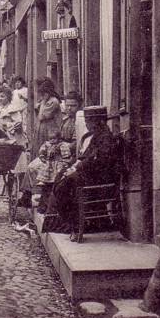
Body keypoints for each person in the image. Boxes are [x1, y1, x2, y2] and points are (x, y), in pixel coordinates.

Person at [46, 106, 123, 239]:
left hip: (101, 179)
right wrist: (72, 167)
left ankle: (75, 225)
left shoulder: (106, 138)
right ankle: (69, 222)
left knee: (67, 183)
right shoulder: (95, 136)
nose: (87, 124)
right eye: (87, 121)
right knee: (61, 176)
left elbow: (99, 161)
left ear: (99, 122)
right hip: (92, 175)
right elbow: (87, 157)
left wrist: (78, 167)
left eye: (89, 121)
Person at [33, 77, 62, 154]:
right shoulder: (45, 100)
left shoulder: (53, 101)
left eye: (43, 92)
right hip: (41, 130)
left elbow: (41, 116)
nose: (41, 95)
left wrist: (42, 103)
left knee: (46, 150)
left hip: (49, 131)